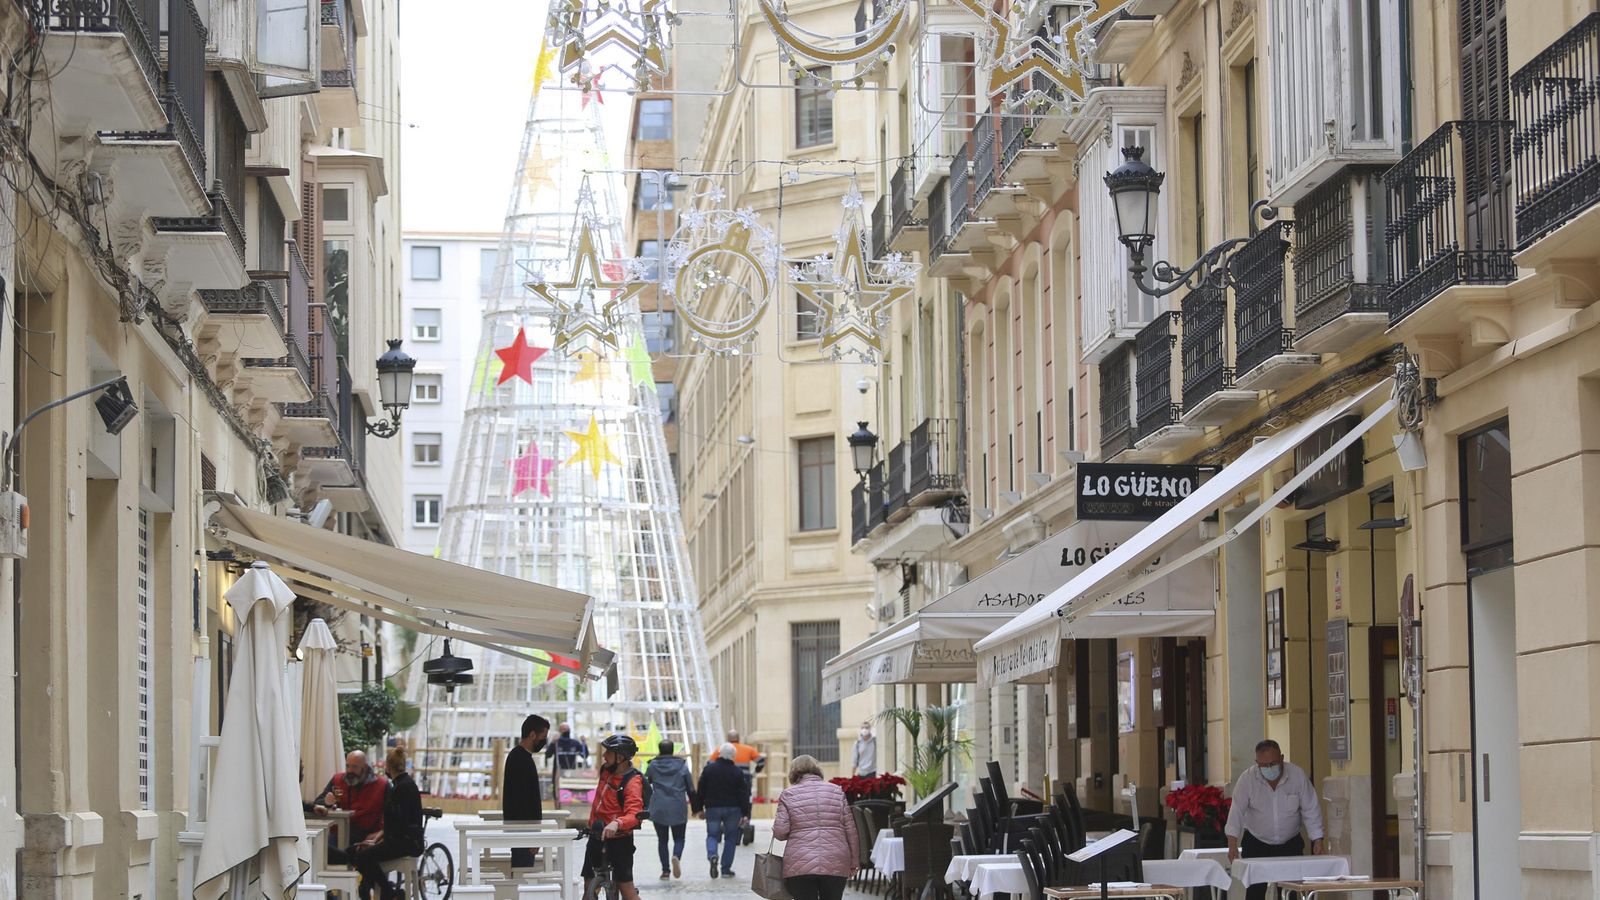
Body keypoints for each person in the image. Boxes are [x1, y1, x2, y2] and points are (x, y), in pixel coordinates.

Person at [1225, 739, 1326, 900]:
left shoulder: (1297, 776)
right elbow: (1236, 811)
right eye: (1263, 766)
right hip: (1257, 843)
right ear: (1257, 763)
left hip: (1289, 843)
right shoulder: (1247, 779)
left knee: (1291, 891)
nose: (1269, 769)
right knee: (1255, 893)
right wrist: (1232, 844)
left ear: (1282, 758)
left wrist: (1318, 839)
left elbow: (1311, 809)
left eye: (1273, 763)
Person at [772, 755, 858, 900]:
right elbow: (851, 830)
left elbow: (780, 832)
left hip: (799, 862)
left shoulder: (788, 794)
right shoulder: (837, 791)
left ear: (794, 773)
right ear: (817, 770)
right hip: (835, 860)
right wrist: (854, 861)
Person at [349, 748, 426, 900]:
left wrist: (378, 841)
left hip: (403, 842)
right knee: (360, 853)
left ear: (388, 767)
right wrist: (377, 839)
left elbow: (398, 824)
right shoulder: (406, 784)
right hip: (408, 841)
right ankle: (384, 892)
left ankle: (388, 893)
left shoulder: (399, 788)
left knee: (361, 857)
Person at [584, 734, 647, 900]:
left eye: (608, 753)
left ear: (620, 757)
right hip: (596, 834)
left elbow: (635, 814)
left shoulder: (632, 781)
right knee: (588, 889)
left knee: (626, 889)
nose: (604, 756)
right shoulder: (606, 770)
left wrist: (617, 823)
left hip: (620, 838)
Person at [311, 750, 390, 864]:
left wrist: (381, 833)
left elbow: (391, 815)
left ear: (365, 767)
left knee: (365, 856)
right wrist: (326, 802)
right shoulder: (337, 780)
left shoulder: (382, 785)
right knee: (322, 853)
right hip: (338, 834)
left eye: (354, 767)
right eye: (348, 766)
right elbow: (317, 802)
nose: (349, 771)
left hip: (368, 835)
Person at [693, 742, 751, 878]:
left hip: (712, 808)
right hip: (733, 809)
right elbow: (743, 794)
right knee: (731, 838)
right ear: (733, 756)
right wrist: (745, 813)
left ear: (720, 754)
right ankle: (725, 869)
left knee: (712, 835)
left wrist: (698, 809)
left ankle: (712, 855)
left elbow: (700, 790)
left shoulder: (708, 770)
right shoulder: (737, 772)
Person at [503, 713, 550, 868]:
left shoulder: (519, 756)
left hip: (522, 830)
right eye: (543, 737)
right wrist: (533, 836)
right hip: (523, 831)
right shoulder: (520, 759)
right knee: (522, 876)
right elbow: (523, 801)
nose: (543, 742)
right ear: (532, 735)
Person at [645, 740, 696, 880]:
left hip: (659, 806)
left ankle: (665, 871)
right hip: (678, 805)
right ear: (672, 749)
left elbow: (645, 783)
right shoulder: (682, 766)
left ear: (659, 749)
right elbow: (690, 788)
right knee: (679, 838)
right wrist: (696, 808)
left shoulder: (653, 765)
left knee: (662, 840)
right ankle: (676, 856)